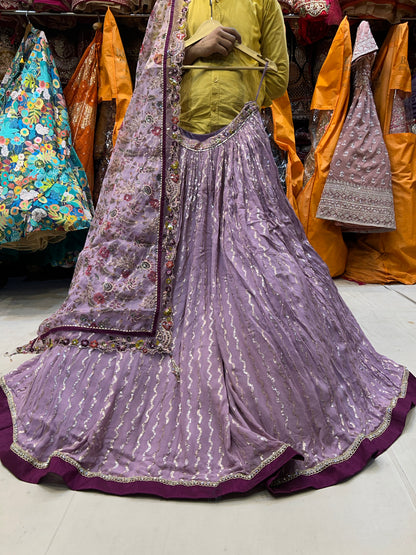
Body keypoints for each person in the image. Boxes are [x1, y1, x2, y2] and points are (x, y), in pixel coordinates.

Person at [0, 0, 414, 499]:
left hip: (240, 149)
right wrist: (194, 50)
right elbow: (150, 72)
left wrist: (239, 80)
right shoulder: (170, 6)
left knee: (267, 268)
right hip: (175, 158)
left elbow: (279, 78)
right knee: (176, 274)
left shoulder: (261, 3)